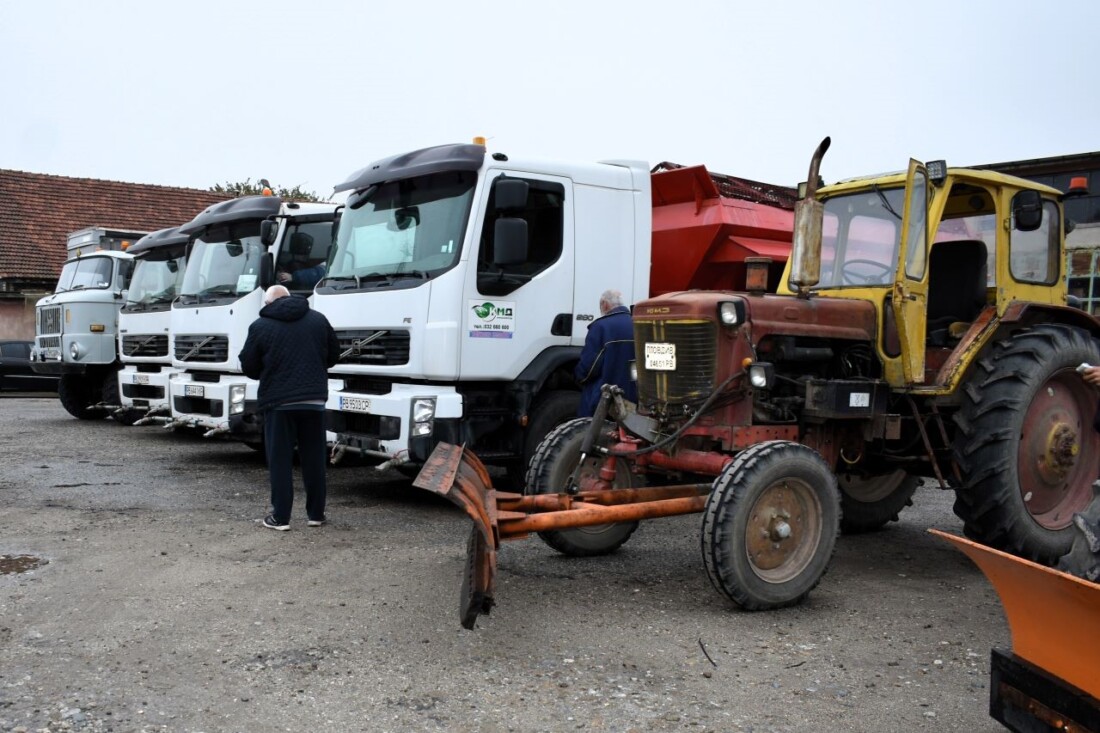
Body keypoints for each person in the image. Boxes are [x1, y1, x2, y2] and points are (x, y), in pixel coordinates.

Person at [239, 284, 340, 530]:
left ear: (269, 303)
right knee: (315, 458)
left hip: (279, 402)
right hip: (314, 400)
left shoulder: (260, 325)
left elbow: (248, 365)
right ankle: (316, 514)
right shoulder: (318, 319)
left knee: (280, 460)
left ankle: (281, 517)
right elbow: (334, 355)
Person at [575, 289, 638, 417]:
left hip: (605, 399)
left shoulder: (601, 327)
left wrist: (578, 376)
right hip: (633, 398)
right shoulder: (637, 324)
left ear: (604, 304)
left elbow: (589, 368)